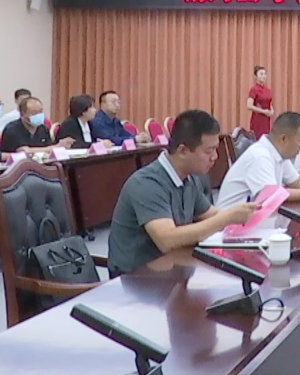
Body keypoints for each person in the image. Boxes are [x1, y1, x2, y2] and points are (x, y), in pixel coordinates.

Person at [106, 110, 258, 277]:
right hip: (135, 279)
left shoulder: (189, 177)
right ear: (183, 151)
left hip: (172, 268)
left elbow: (211, 214)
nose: (215, 157)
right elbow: (167, 240)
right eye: (209, 151)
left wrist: (247, 216)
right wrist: (227, 218)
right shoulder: (147, 183)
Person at [216, 112, 300, 208]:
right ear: (283, 139)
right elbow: (274, 196)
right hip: (230, 230)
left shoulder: (278, 153)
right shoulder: (260, 157)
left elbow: (297, 182)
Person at [0, 97, 75, 153]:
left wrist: (60, 146)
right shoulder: (12, 129)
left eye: (40, 111)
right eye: (34, 113)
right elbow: (24, 151)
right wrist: (56, 147)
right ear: (23, 114)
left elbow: (49, 148)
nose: (39, 115)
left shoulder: (43, 128)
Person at [247, 65, 274, 138]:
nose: (264, 76)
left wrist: (272, 111)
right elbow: (249, 106)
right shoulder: (254, 89)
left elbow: (269, 103)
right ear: (255, 76)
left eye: (265, 74)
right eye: (261, 74)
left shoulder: (268, 90)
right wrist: (263, 111)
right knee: (258, 137)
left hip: (266, 119)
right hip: (258, 119)